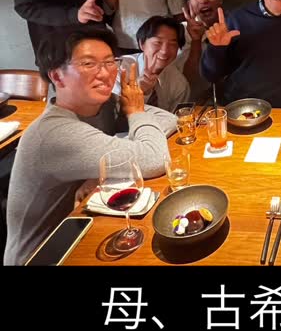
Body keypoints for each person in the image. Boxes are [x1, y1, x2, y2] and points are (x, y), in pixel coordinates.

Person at [4, 28, 177, 266]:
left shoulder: (103, 105)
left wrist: (98, 168)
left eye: (110, 62)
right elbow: (155, 158)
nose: (105, 73)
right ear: (57, 76)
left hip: (81, 228)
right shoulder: (54, 133)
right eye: (88, 64)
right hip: (43, 255)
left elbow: (169, 120)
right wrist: (136, 114)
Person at [113, 16, 190, 114]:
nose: (164, 51)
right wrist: (137, 92)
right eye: (158, 43)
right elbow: (112, 115)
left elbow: (179, 120)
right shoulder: (118, 69)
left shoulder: (179, 84)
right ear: (142, 44)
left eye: (172, 44)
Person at [177, 0, 223, 98]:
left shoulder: (235, 26)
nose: (203, 0)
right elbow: (185, 79)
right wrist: (196, 41)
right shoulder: (179, 32)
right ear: (189, 4)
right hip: (193, 99)